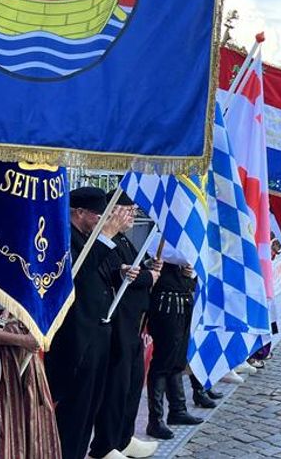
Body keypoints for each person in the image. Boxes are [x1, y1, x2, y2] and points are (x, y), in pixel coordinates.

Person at [44, 187, 131, 459]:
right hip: (75, 337)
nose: (102, 221)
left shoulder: (88, 237)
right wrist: (106, 236)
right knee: (74, 408)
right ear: (79, 212)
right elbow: (76, 272)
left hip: (97, 332)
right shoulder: (64, 237)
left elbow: (100, 270)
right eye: (98, 215)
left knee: (89, 406)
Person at [89, 193, 161, 459]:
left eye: (132, 211)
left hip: (133, 324)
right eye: (126, 211)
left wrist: (150, 269)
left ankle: (124, 437)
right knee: (116, 388)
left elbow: (134, 268)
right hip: (116, 323)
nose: (130, 216)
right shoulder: (103, 241)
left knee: (132, 384)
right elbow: (118, 273)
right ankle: (105, 445)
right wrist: (147, 276)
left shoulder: (123, 239)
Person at [0, 311, 60, 458]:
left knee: (31, 420)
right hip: (1, 363)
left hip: (26, 362)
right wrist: (22, 340)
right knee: (5, 421)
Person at [145, 261, 203, 440]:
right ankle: (155, 420)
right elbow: (149, 260)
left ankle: (178, 409)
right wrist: (151, 264)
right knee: (163, 361)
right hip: (166, 302)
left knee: (177, 360)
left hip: (184, 299)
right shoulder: (159, 236)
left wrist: (191, 272)